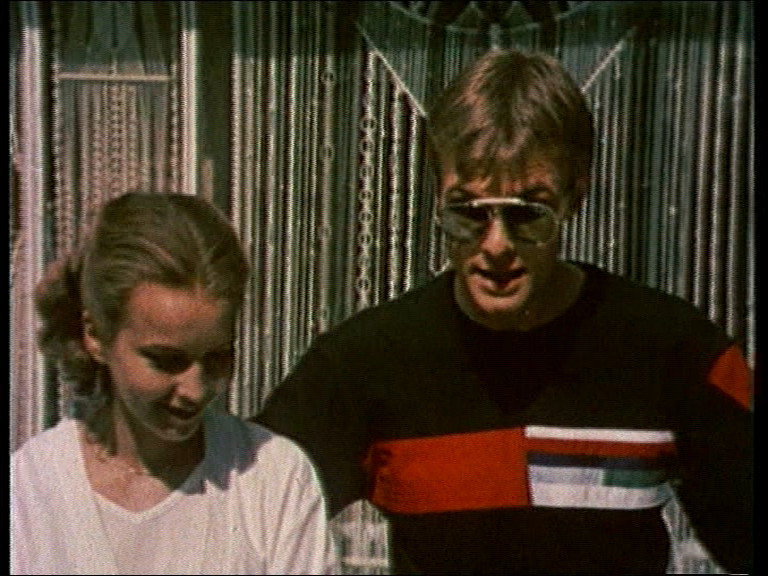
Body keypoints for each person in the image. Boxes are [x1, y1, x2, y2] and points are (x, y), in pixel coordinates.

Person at [254, 48, 753, 574]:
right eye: (468, 213)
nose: (496, 245)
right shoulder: (365, 363)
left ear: (575, 197)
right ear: (436, 197)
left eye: (527, 214)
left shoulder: (673, 350)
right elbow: (248, 516)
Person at [11, 192, 339, 575]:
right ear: (96, 335)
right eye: (166, 361)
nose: (195, 390)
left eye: (216, 358)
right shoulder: (32, 489)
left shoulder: (272, 478)